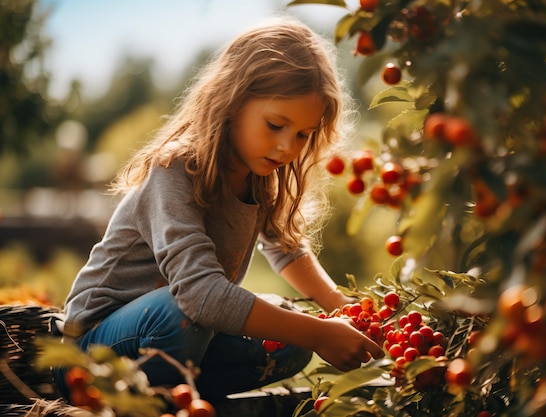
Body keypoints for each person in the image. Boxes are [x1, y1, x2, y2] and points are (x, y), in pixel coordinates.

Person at [52, 15, 384, 404]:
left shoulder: (259, 175)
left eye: (303, 135)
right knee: (183, 313)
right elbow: (198, 294)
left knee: (289, 342)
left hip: (183, 335)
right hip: (93, 355)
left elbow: (285, 248)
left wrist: (339, 309)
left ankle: (187, 400)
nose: (288, 147)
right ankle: (151, 403)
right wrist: (317, 331)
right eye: (276, 124)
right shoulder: (174, 170)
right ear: (232, 99)